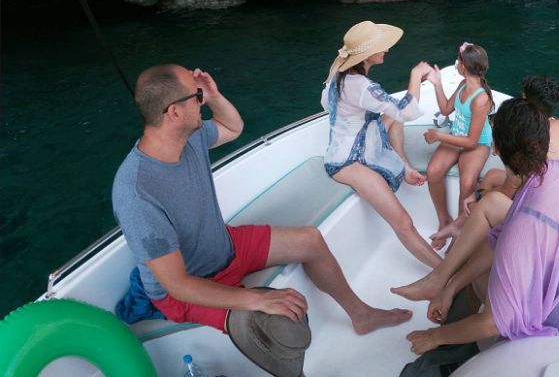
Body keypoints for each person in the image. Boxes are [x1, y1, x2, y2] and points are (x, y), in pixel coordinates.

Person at [111, 64, 410, 347]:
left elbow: (233, 126)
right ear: (174, 112)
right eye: (197, 95)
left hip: (223, 247)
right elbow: (177, 284)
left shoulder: (190, 137)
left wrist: (213, 96)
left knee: (311, 240)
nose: (201, 102)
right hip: (188, 288)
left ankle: (362, 315)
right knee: (274, 327)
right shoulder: (136, 192)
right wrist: (256, 299)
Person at [404, 97, 559, 355]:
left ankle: (453, 337)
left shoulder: (524, 225)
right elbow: (504, 234)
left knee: (478, 273)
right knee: (491, 204)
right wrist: (451, 285)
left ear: (496, 148)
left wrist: (434, 337)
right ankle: (441, 280)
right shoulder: (555, 170)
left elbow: (493, 323)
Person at [322, 21, 442, 268]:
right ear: (368, 55)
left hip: (353, 143)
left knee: (393, 120)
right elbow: (408, 111)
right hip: (347, 162)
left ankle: (405, 166)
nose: (387, 49)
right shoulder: (363, 87)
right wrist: (416, 75)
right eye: (382, 46)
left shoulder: (338, 75)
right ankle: (445, 273)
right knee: (403, 222)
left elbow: (328, 104)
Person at [422, 42, 494, 249]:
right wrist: (436, 84)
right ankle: (445, 220)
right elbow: (445, 109)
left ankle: (460, 230)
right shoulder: (463, 85)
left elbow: (472, 141)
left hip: (477, 143)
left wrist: (438, 136)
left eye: (458, 60)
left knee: (467, 182)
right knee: (433, 170)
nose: (456, 63)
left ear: (463, 66)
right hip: (457, 137)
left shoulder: (481, 99)